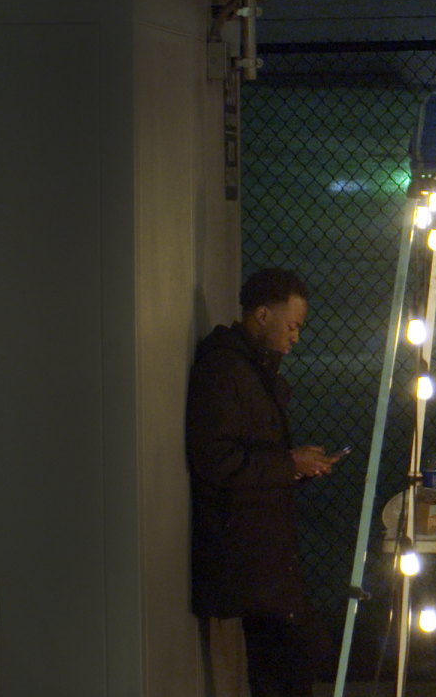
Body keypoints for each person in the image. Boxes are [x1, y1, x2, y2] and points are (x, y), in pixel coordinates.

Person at [187, 269, 344, 697]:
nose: (295, 337)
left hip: (261, 549)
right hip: (248, 549)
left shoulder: (250, 369)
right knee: (290, 658)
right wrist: (289, 463)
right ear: (261, 314)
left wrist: (295, 467)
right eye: (291, 325)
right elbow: (217, 459)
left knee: (289, 656)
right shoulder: (227, 370)